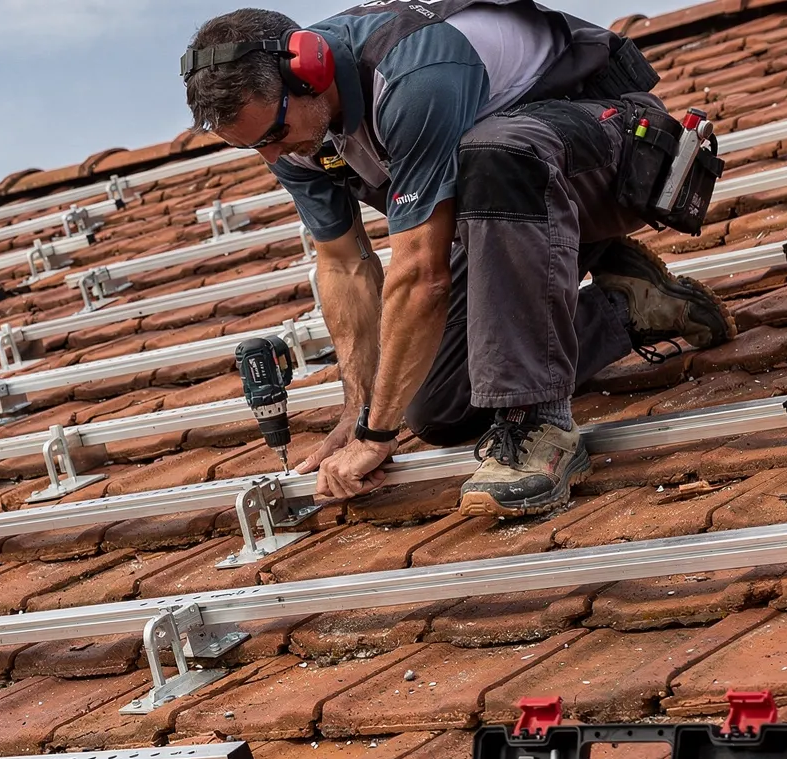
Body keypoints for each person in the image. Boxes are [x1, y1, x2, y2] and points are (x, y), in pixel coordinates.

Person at [182, 1, 735, 515]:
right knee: (436, 407)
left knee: (495, 153)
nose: (273, 156)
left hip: (614, 156)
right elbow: (344, 266)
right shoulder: (296, 139)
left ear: (312, 70)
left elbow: (421, 272)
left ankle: (540, 425)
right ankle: (629, 307)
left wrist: (376, 439)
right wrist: (362, 414)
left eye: (275, 133)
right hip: (518, 221)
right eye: (254, 146)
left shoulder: (411, 76)